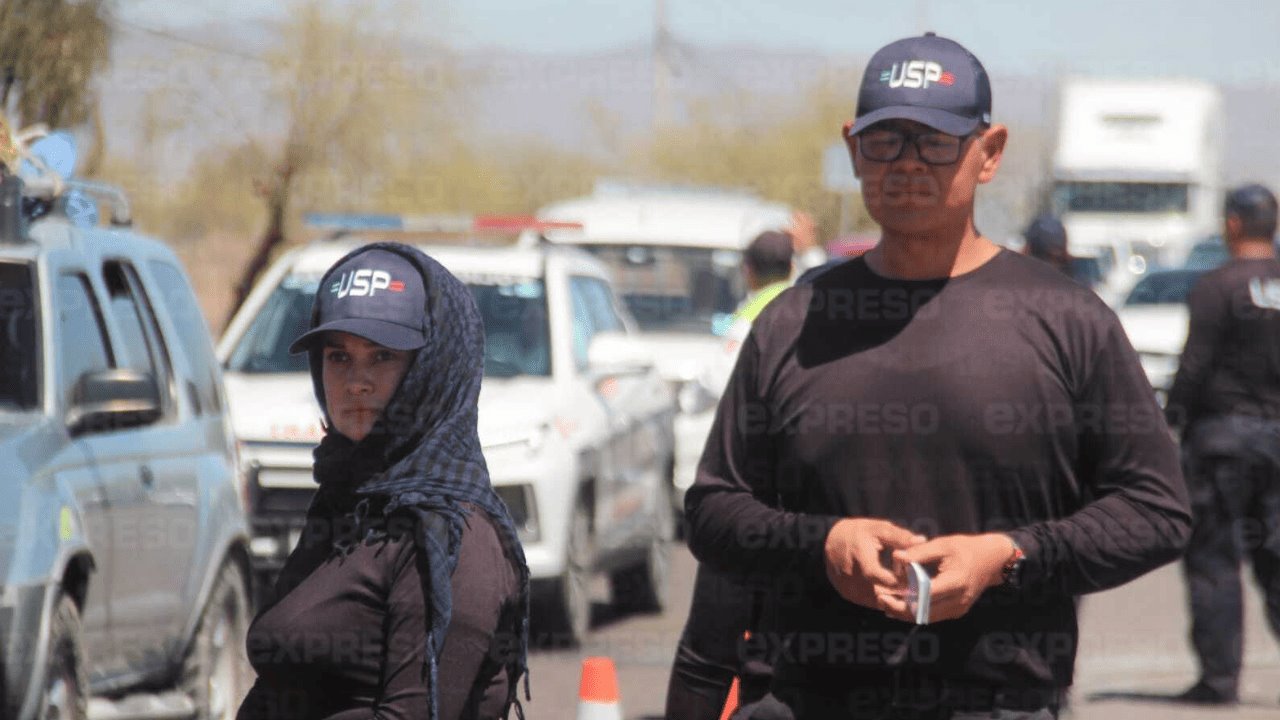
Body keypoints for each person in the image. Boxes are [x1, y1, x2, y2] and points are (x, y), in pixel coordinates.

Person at [685, 32, 1191, 720]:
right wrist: (824, 544)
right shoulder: (791, 321)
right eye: (885, 140)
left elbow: (1156, 511)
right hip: (814, 700)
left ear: (989, 152)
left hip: (1001, 701)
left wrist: (1009, 556)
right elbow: (715, 512)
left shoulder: (1067, 319)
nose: (907, 163)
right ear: (854, 147)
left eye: (936, 140)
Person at [236, 243, 531, 720]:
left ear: (433, 369)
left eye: (382, 356)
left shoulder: (448, 537)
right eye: (338, 357)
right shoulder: (349, 501)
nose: (357, 382)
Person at [664, 229, 799, 720]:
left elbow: (713, 382)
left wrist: (685, 401)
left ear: (748, 269)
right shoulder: (811, 304)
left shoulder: (753, 318)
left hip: (748, 486)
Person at [1165, 183, 1280, 706]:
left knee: (1214, 560)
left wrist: (1169, 424)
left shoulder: (1216, 286)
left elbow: (1193, 368)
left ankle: (1218, 679)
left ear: (1233, 223)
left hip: (1222, 442)